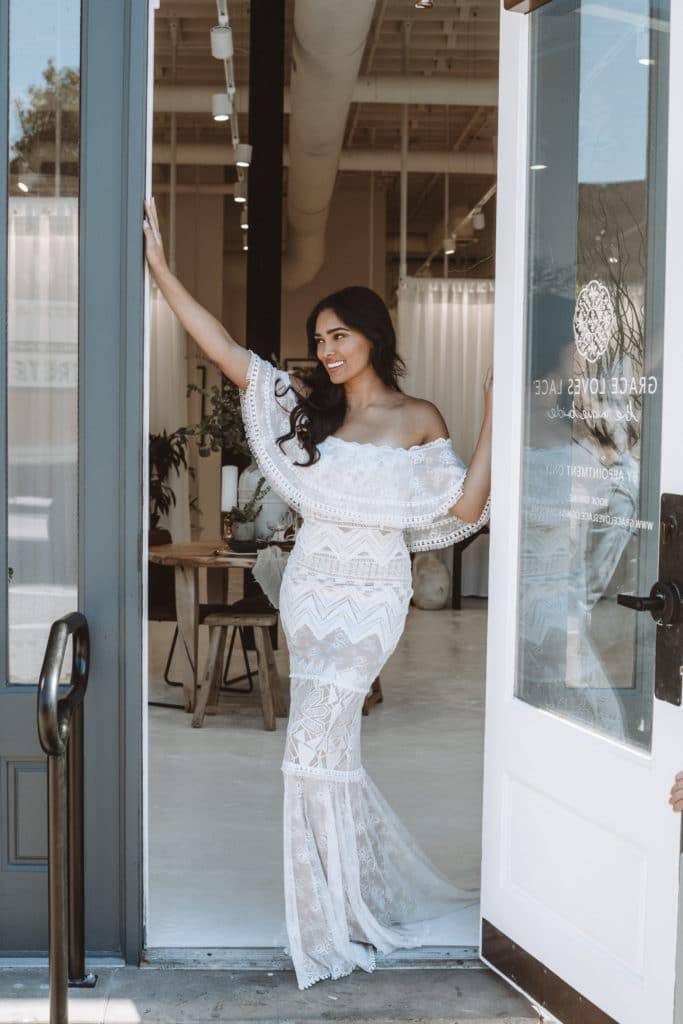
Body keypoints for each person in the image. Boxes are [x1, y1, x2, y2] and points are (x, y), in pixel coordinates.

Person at [143, 196, 493, 989]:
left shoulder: (417, 418)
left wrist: (496, 415)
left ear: (374, 336)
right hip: (309, 591)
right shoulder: (308, 410)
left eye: (338, 335)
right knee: (322, 754)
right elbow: (229, 351)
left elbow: (465, 507)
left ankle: (333, 915)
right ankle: (337, 906)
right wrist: (163, 274)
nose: (326, 350)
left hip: (371, 601)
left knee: (314, 751)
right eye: (318, 340)